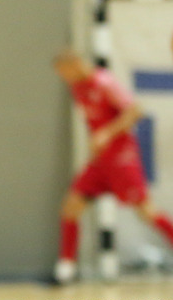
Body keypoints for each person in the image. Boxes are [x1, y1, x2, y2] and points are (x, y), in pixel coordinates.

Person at [52, 48, 173, 284]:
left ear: (75, 64)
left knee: (146, 211)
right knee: (71, 206)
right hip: (100, 161)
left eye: (65, 72)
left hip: (121, 157)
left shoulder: (104, 82)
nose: (64, 77)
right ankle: (66, 267)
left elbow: (135, 111)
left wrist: (107, 133)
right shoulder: (77, 88)